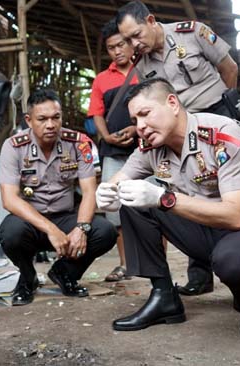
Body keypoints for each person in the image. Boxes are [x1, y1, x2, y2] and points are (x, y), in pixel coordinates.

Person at [96, 78, 240, 337]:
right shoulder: (152, 145)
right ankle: (164, 296)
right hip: (209, 231)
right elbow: (120, 180)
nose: (140, 127)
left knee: (233, 261)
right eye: (135, 121)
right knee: (132, 199)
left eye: (145, 114)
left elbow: (237, 216)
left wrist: (163, 198)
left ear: (173, 103)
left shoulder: (223, 135)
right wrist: (107, 192)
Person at [116, 0, 240, 295]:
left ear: (150, 20)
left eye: (136, 35)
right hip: (180, 135)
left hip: (216, 118)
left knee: (229, 192)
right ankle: (200, 274)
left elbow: (229, 69)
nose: (134, 44)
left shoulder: (193, 32)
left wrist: (227, 113)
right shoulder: (143, 66)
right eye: (127, 40)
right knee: (184, 194)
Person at [0, 89, 117, 306]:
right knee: (10, 232)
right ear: (29, 120)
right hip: (31, 222)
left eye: (56, 117)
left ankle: (65, 273)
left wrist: (81, 228)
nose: (51, 125)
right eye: (42, 119)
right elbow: (10, 199)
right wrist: (51, 230)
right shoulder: (13, 147)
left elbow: (90, 191)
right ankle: (27, 278)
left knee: (105, 231)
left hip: (66, 218)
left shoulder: (79, 143)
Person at [88, 18, 139, 282]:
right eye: (111, 47)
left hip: (146, 150)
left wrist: (136, 129)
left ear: (131, 43)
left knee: (156, 203)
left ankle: (157, 263)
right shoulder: (101, 80)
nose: (117, 51)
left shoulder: (146, 70)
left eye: (121, 44)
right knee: (115, 207)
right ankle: (125, 264)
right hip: (113, 152)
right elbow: (96, 113)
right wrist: (106, 135)